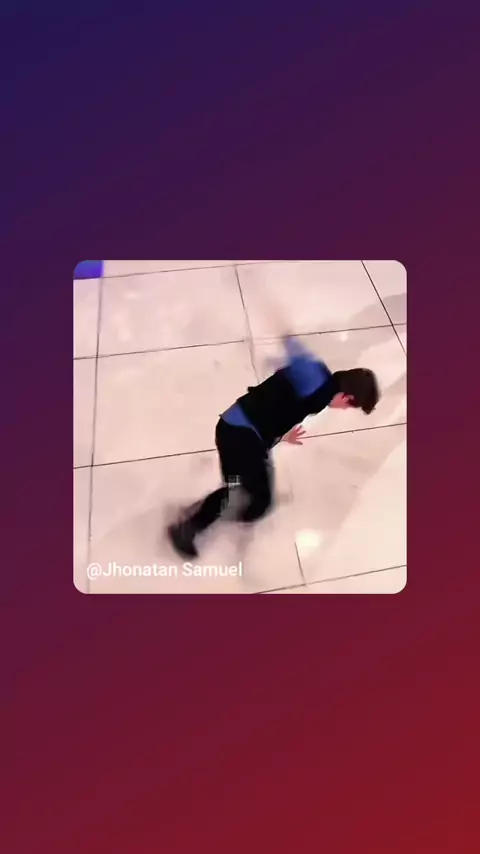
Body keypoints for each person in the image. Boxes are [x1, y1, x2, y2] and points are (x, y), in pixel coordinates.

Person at [167, 336, 379, 558]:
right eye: (349, 406)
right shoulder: (316, 382)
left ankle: (209, 511)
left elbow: (291, 348)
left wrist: (281, 435)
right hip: (239, 435)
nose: (344, 409)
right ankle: (186, 528)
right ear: (347, 397)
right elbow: (288, 351)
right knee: (242, 494)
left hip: (242, 430)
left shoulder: (317, 372)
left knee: (255, 497)